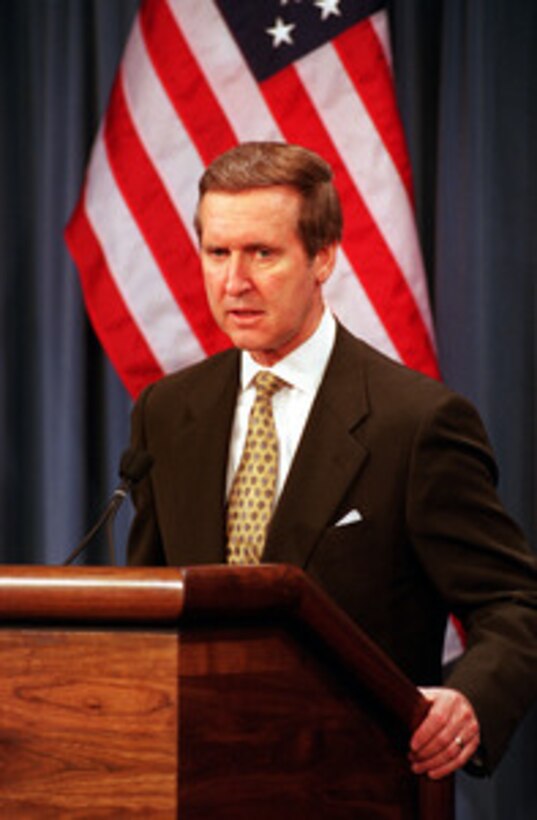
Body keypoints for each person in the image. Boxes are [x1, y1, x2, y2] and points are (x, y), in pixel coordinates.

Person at [127, 141, 537, 780]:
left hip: (351, 779)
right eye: (218, 253)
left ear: (323, 258)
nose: (235, 282)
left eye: (263, 254)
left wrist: (470, 700)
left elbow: (515, 602)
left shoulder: (416, 422)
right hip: (190, 776)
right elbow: (148, 603)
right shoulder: (167, 411)